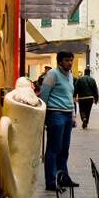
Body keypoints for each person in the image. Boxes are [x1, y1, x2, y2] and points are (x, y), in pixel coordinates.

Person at [39, 51, 78, 190]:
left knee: (64, 148)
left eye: (71, 60)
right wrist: (43, 114)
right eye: (67, 60)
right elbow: (44, 94)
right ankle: (51, 181)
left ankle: (63, 177)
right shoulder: (52, 74)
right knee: (53, 148)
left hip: (67, 114)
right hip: (55, 113)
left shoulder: (70, 76)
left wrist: (73, 115)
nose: (70, 62)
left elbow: (70, 96)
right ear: (60, 61)